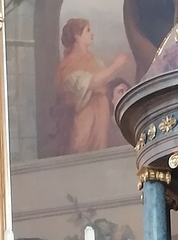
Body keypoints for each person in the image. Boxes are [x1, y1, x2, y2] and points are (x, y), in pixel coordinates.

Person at [53, 18, 133, 155]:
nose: (92, 33)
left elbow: (103, 81)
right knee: (82, 151)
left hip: (101, 114)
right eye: (88, 30)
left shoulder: (95, 60)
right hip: (86, 116)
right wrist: (115, 66)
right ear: (77, 36)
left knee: (102, 153)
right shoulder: (69, 64)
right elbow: (89, 82)